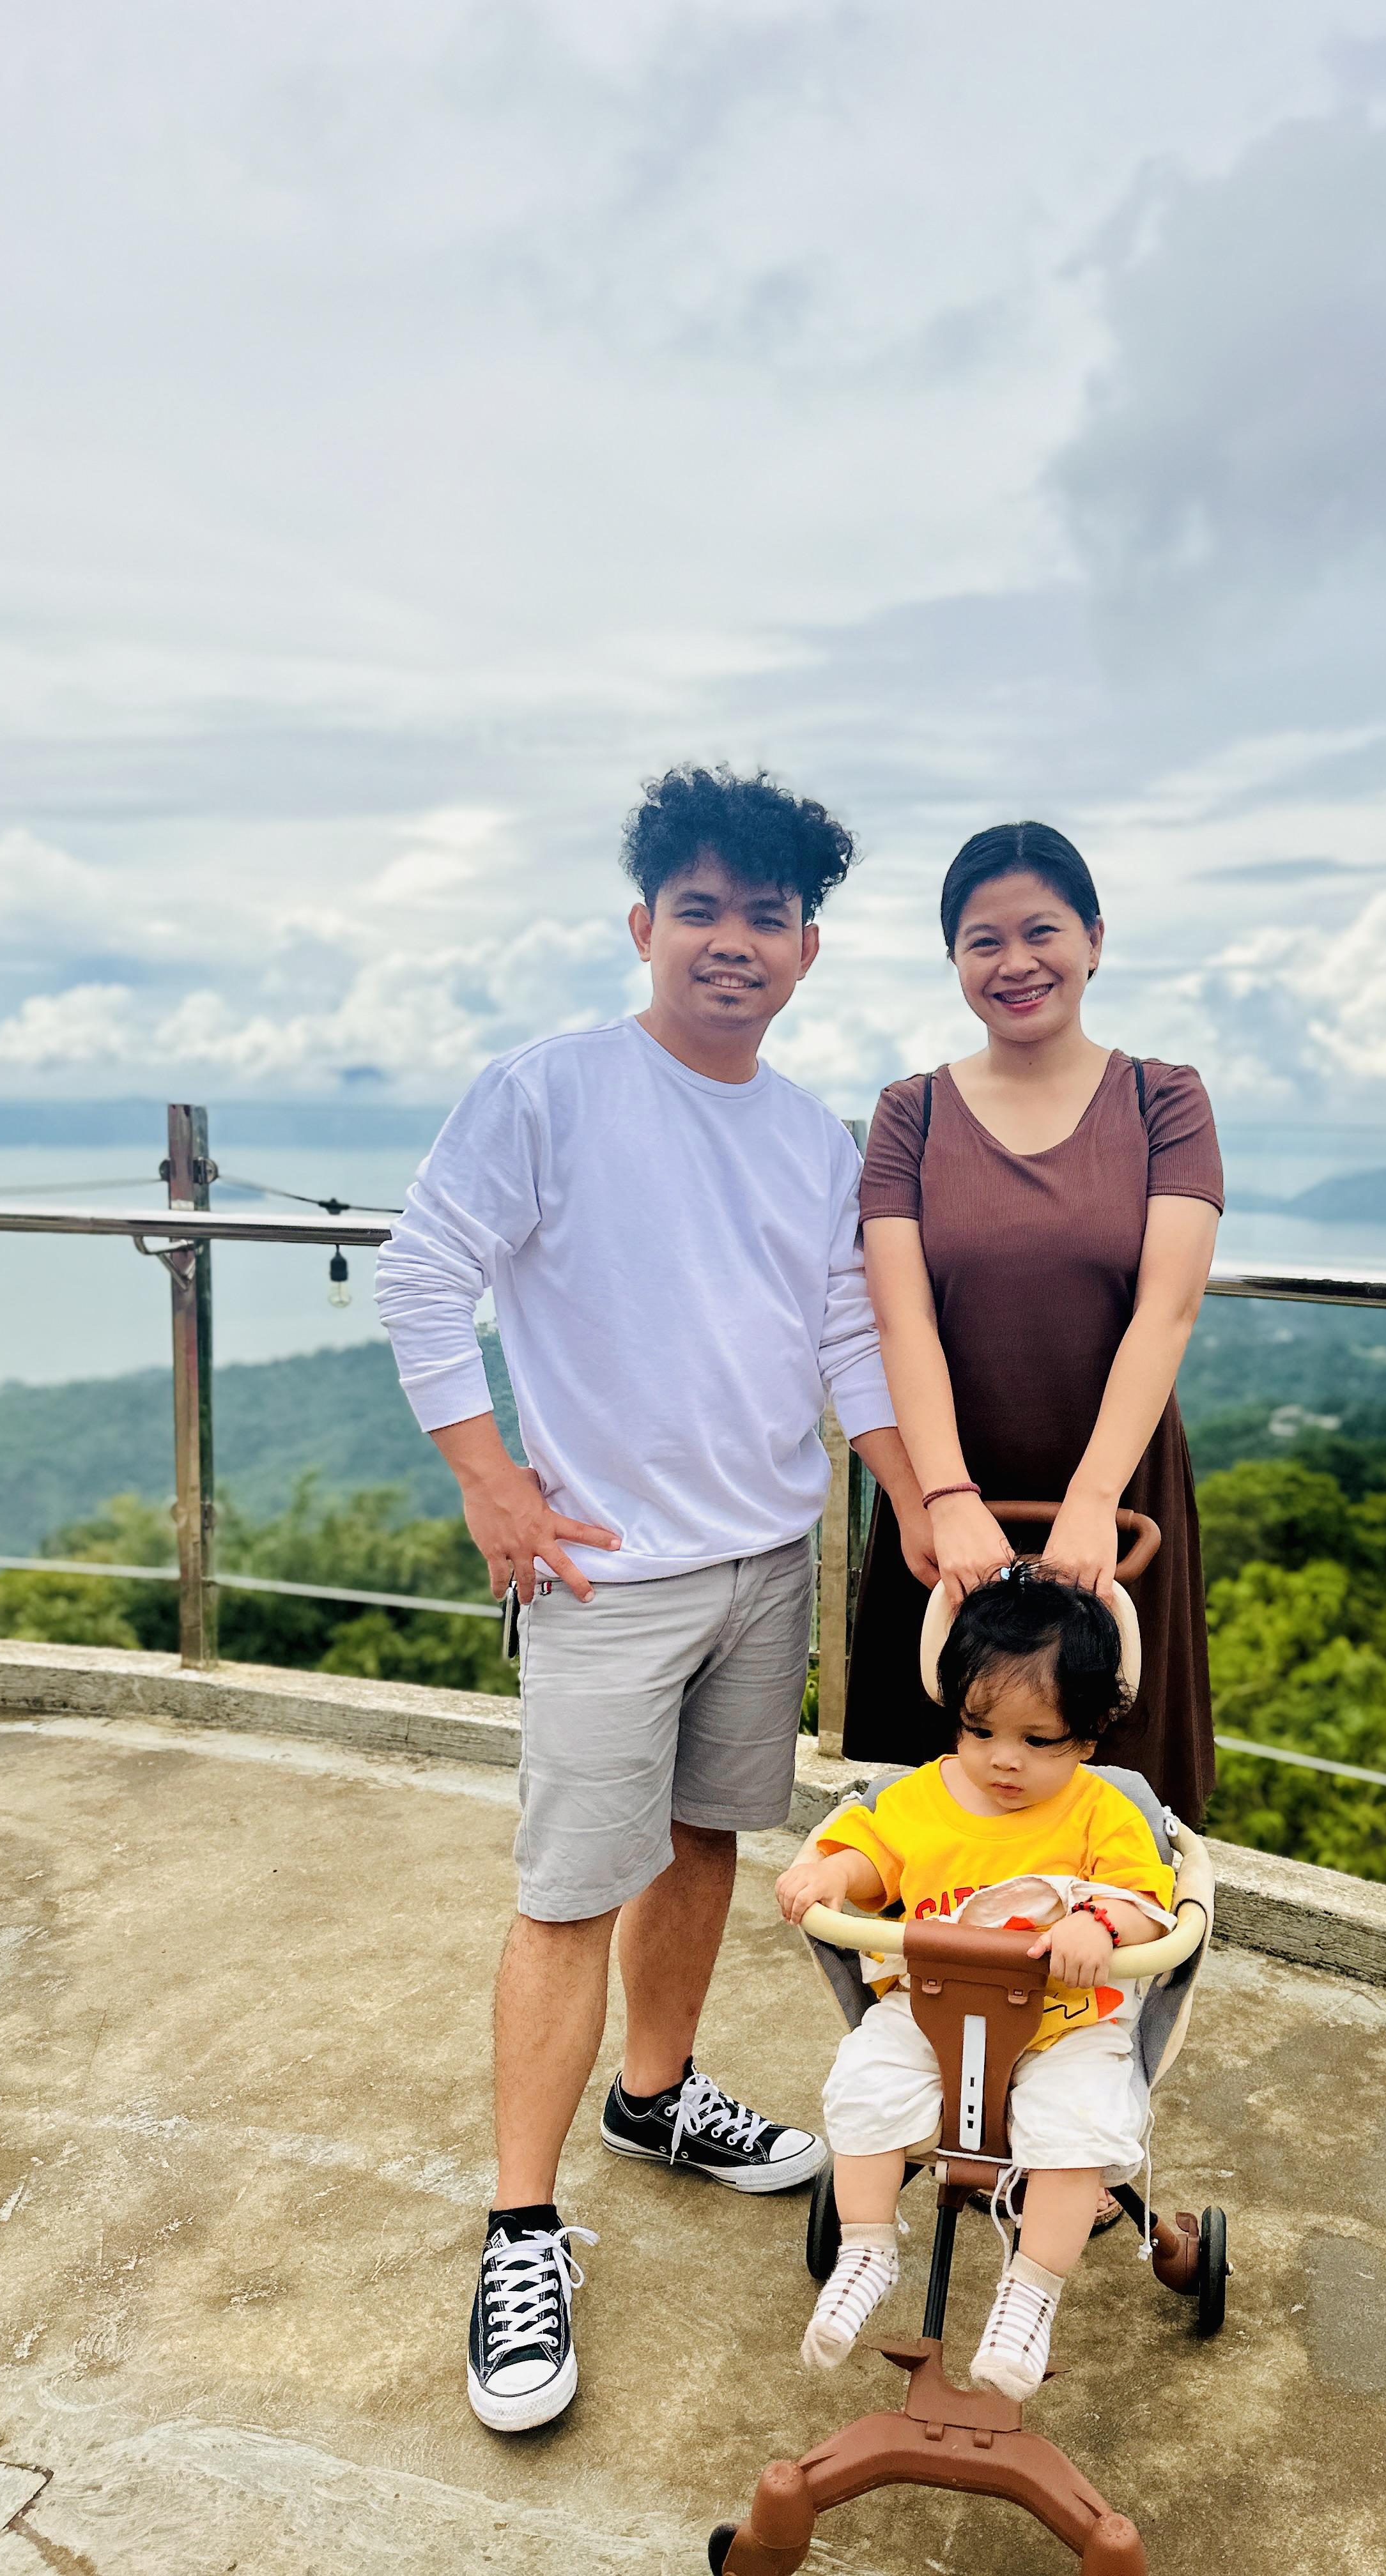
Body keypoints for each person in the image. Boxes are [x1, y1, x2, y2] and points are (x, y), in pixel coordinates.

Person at [375, 765, 929, 2436]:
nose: (732, 941)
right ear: (643, 926)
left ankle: (658, 2094)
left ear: (809, 948)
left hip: (768, 1560)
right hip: (606, 1574)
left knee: (701, 1844)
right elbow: (423, 1272)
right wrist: (490, 1478)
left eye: (767, 915)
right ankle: (521, 2229)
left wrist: (922, 1510)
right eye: (701, 909)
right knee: (565, 1894)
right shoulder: (549, 1090)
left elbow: (846, 1337)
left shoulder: (813, 1138)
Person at [845, 820, 1224, 1825]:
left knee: (1114, 1810)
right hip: (948, 1505)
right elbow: (900, 1321)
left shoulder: (1163, 1101)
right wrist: (945, 1496)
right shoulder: (911, 1114)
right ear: (954, 960)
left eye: (1042, 932)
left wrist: (1093, 1503)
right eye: (984, 941)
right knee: (930, 1814)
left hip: (1119, 1501)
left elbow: (1167, 1309)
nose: (1015, 963)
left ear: (1094, 939)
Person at [774, 1565, 1176, 2400]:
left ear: (1088, 1737)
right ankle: (867, 2250)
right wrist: (833, 1874)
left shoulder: (1102, 1812)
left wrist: (1099, 1925)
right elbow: (872, 1856)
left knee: (1078, 2129)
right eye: (980, 1729)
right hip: (932, 2011)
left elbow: (1148, 1904)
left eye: (1039, 1740)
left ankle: (1031, 2294)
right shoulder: (920, 1798)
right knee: (864, 2084)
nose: (1004, 1759)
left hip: (1065, 2022)